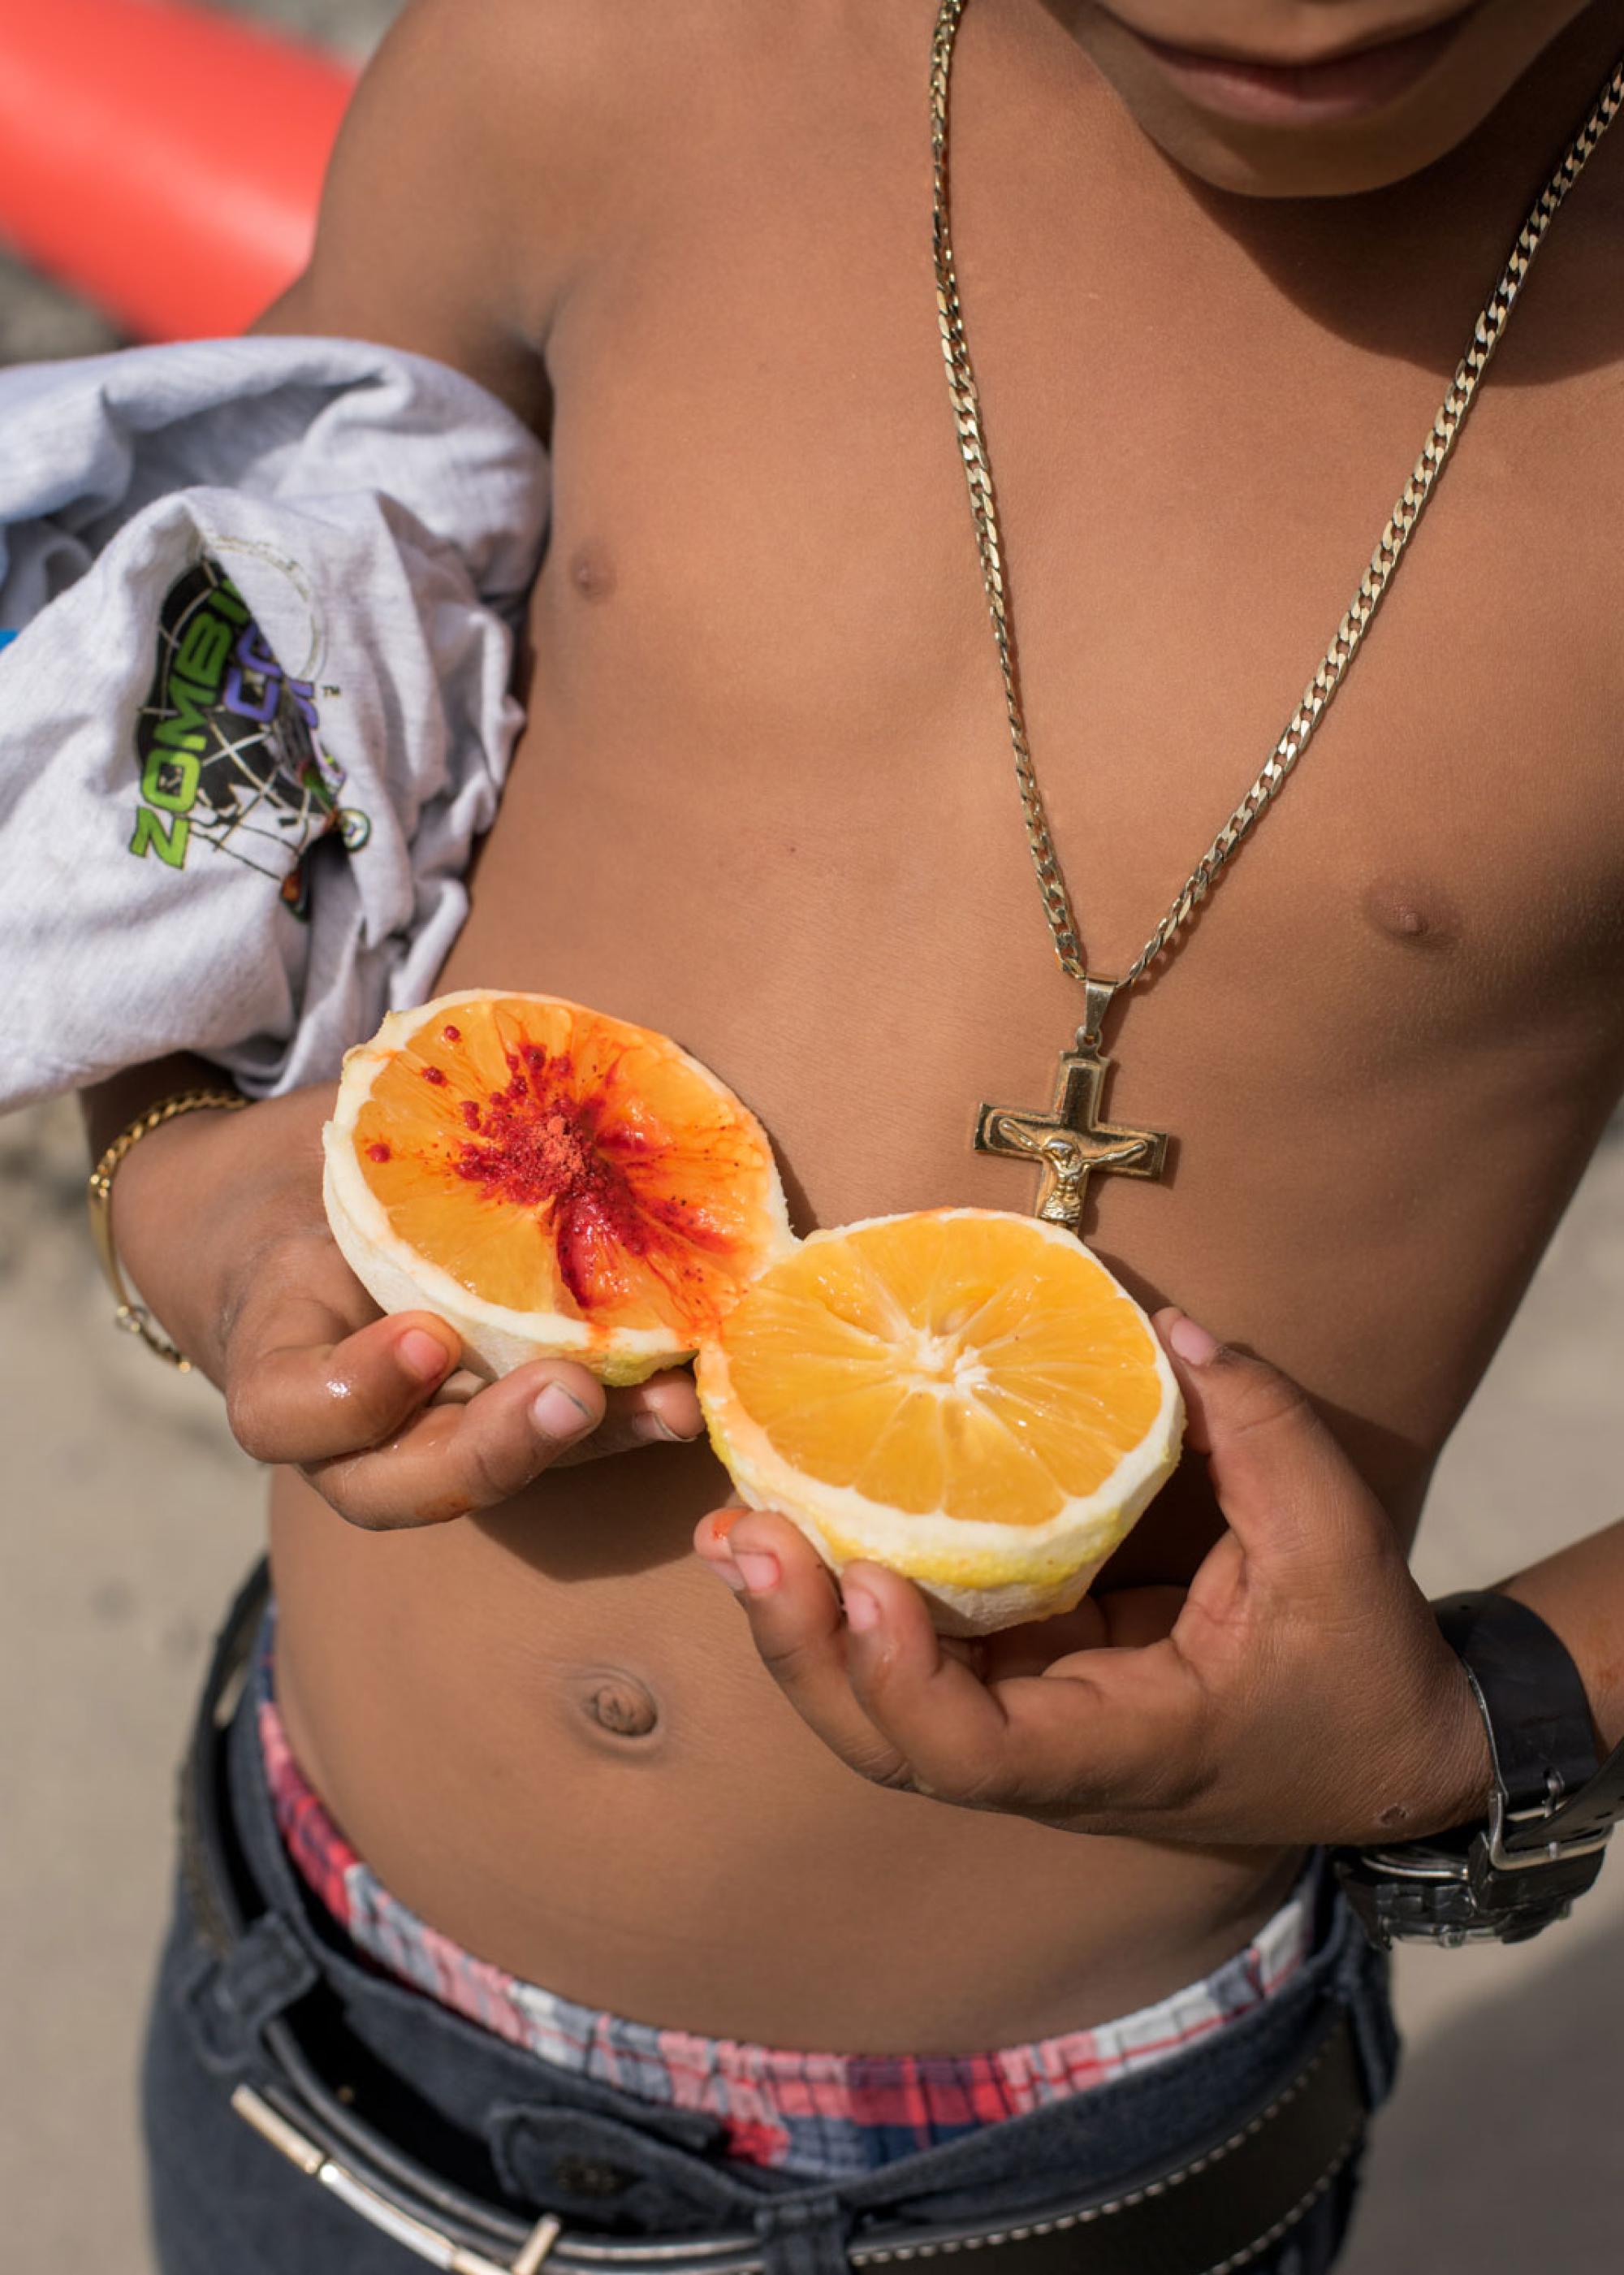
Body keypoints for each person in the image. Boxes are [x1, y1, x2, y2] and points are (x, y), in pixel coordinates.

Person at [83, 2, 1624, 2269]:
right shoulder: (612, 51)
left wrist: (1488, 1725)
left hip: (1072, 2164)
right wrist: (171, 1142)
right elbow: (248, 576)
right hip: (308, 2011)